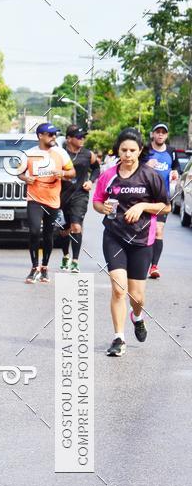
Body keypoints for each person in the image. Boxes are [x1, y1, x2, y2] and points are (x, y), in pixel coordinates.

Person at [93, 128, 170, 357]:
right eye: (124, 150)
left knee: (137, 297)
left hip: (142, 239)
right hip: (114, 236)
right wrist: (103, 208)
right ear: (118, 150)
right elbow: (97, 201)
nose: (127, 154)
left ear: (140, 151)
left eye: (132, 150)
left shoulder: (150, 175)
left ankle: (137, 316)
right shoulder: (108, 175)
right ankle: (119, 338)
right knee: (119, 290)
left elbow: (165, 206)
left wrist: (142, 206)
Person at [18, 123, 75, 283]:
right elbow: (19, 173)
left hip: (53, 200)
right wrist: (26, 178)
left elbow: (72, 172)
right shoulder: (28, 154)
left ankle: (44, 267)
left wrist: (62, 173)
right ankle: (34, 268)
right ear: (40, 136)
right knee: (34, 231)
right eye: (50, 135)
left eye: (55, 134)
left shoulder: (60, 153)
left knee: (48, 234)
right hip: (34, 199)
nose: (54, 137)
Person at [58, 125, 100, 273]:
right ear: (69, 139)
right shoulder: (60, 154)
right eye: (79, 137)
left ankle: (75, 261)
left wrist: (91, 181)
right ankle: (66, 255)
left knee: (76, 226)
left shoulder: (88, 154)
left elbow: (96, 168)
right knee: (64, 230)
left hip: (80, 195)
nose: (82, 139)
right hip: (62, 196)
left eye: (83, 137)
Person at [142, 123, 179, 279]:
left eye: (163, 132)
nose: (160, 135)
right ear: (153, 134)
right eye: (158, 132)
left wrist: (175, 173)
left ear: (166, 135)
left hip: (162, 197)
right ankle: (140, 262)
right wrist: (146, 165)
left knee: (158, 230)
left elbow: (176, 167)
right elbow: (134, 168)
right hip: (144, 196)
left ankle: (154, 266)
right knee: (144, 231)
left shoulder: (171, 151)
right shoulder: (145, 150)